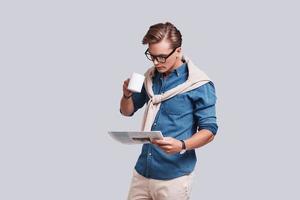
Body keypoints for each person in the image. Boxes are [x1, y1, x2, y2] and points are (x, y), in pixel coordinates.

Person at [120, 22, 218, 200]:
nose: (157, 62)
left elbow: (209, 130)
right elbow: (127, 112)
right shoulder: (150, 78)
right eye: (152, 56)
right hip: (143, 171)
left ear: (178, 51)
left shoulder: (199, 84)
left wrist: (182, 145)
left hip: (174, 177)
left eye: (162, 57)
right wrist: (126, 96)